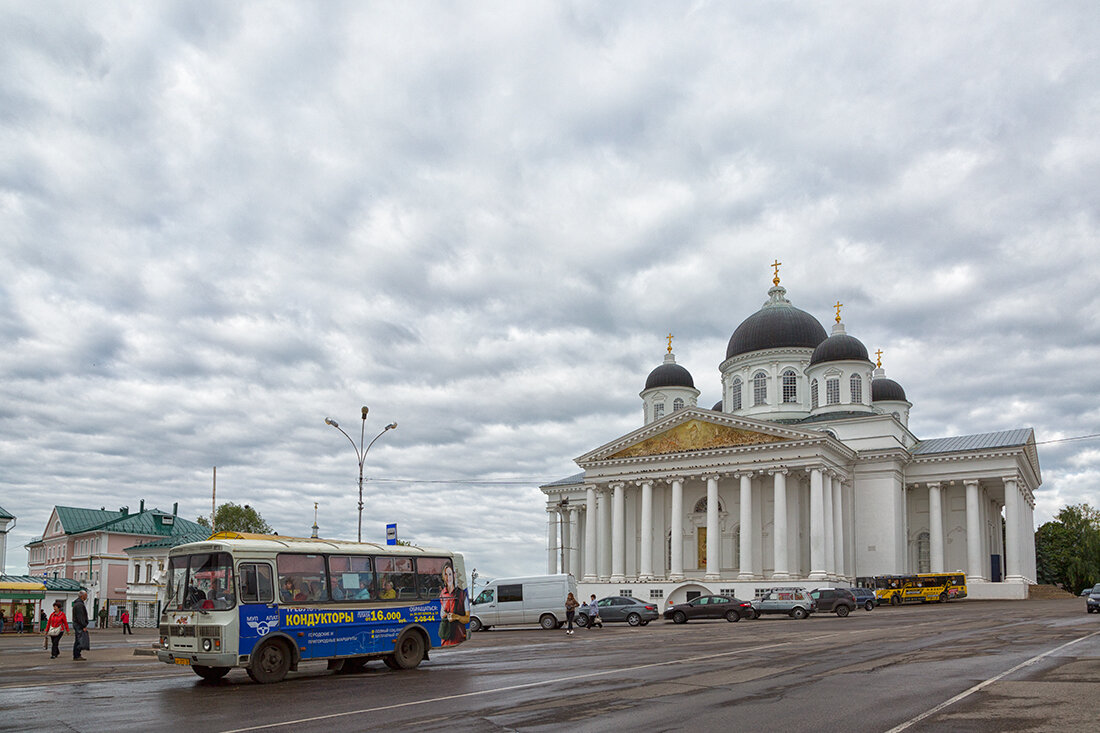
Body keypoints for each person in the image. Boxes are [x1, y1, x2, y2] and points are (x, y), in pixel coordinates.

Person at [438, 561, 469, 646]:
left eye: (450, 574)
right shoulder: (442, 594)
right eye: (445, 574)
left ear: (454, 575)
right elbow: (442, 614)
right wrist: (445, 615)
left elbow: (467, 619)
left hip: (458, 637)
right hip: (445, 637)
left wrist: (457, 617)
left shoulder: (462, 594)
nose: (448, 577)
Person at [72, 591, 89, 661]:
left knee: (78, 639)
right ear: (82, 596)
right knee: (79, 640)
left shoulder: (77, 603)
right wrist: (83, 625)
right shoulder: (79, 605)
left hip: (77, 624)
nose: (86, 597)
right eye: (86, 595)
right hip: (79, 625)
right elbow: (80, 617)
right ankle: (77, 655)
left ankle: (77, 654)